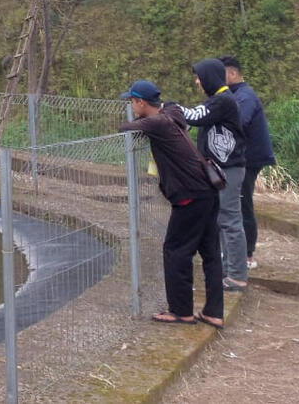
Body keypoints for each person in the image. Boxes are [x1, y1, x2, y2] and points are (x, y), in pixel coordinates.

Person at [117, 79, 224, 327]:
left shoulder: (158, 123)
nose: (131, 107)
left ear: (141, 102)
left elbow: (125, 128)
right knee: (210, 252)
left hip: (190, 195)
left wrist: (139, 122)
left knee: (176, 250)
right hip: (207, 190)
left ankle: (181, 311)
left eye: (132, 102)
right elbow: (171, 106)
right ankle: (213, 312)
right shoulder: (172, 113)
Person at [174, 58, 248, 290]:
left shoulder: (223, 100)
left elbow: (194, 116)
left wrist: (169, 107)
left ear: (209, 77)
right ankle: (228, 269)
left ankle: (237, 276)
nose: (197, 82)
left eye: (199, 77)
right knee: (223, 220)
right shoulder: (218, 100)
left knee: (230, 221)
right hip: (221, 169)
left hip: (229, 169)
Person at [220, 55, 276, 269]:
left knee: (242, 204)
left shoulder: (245, 96)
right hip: (239, 158)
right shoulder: (233, 95)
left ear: (232, 73)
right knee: (235, 203)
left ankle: (246, 255)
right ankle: (233, 250)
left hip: (248, 159)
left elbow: (239, 122)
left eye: (220, 73)